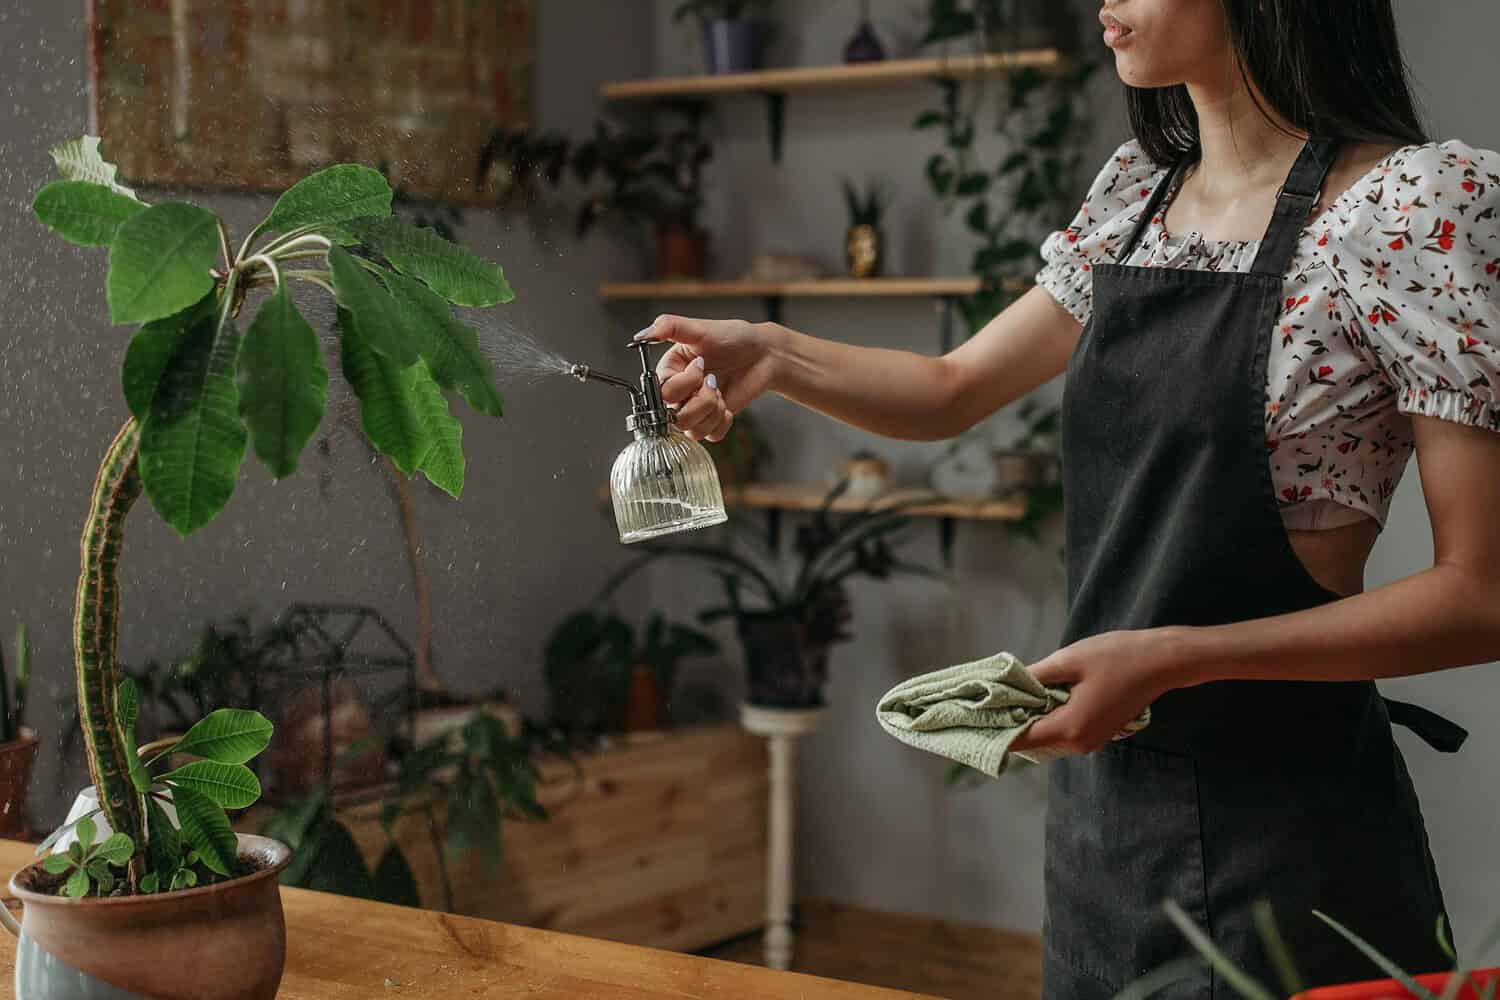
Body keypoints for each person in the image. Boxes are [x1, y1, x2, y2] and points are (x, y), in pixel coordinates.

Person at [638, 0, 1500, 996]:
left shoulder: (1411, 207)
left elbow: (1479, 593)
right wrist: (775, 352)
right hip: (1106, 838)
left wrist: (1177, 659)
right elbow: (949, 389)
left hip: (1289, 838)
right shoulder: (1136, 197)